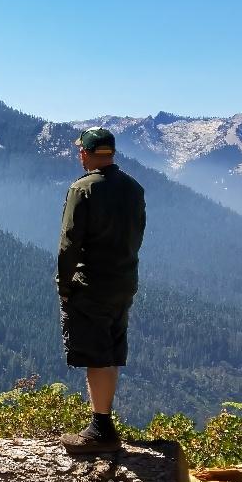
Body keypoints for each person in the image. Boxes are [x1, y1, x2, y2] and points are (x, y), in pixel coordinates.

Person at [55, 126, 146, 453]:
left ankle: (99, 429)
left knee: (96, 354)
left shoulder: (83, 190)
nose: (79, 155)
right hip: (123, 284)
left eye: (81, 150)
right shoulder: (134, 188)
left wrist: (64, 286)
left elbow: (69, 244)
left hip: (91, 285)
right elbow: (138, 234)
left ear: (89, 153)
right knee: (109, 351)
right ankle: (103, 422)